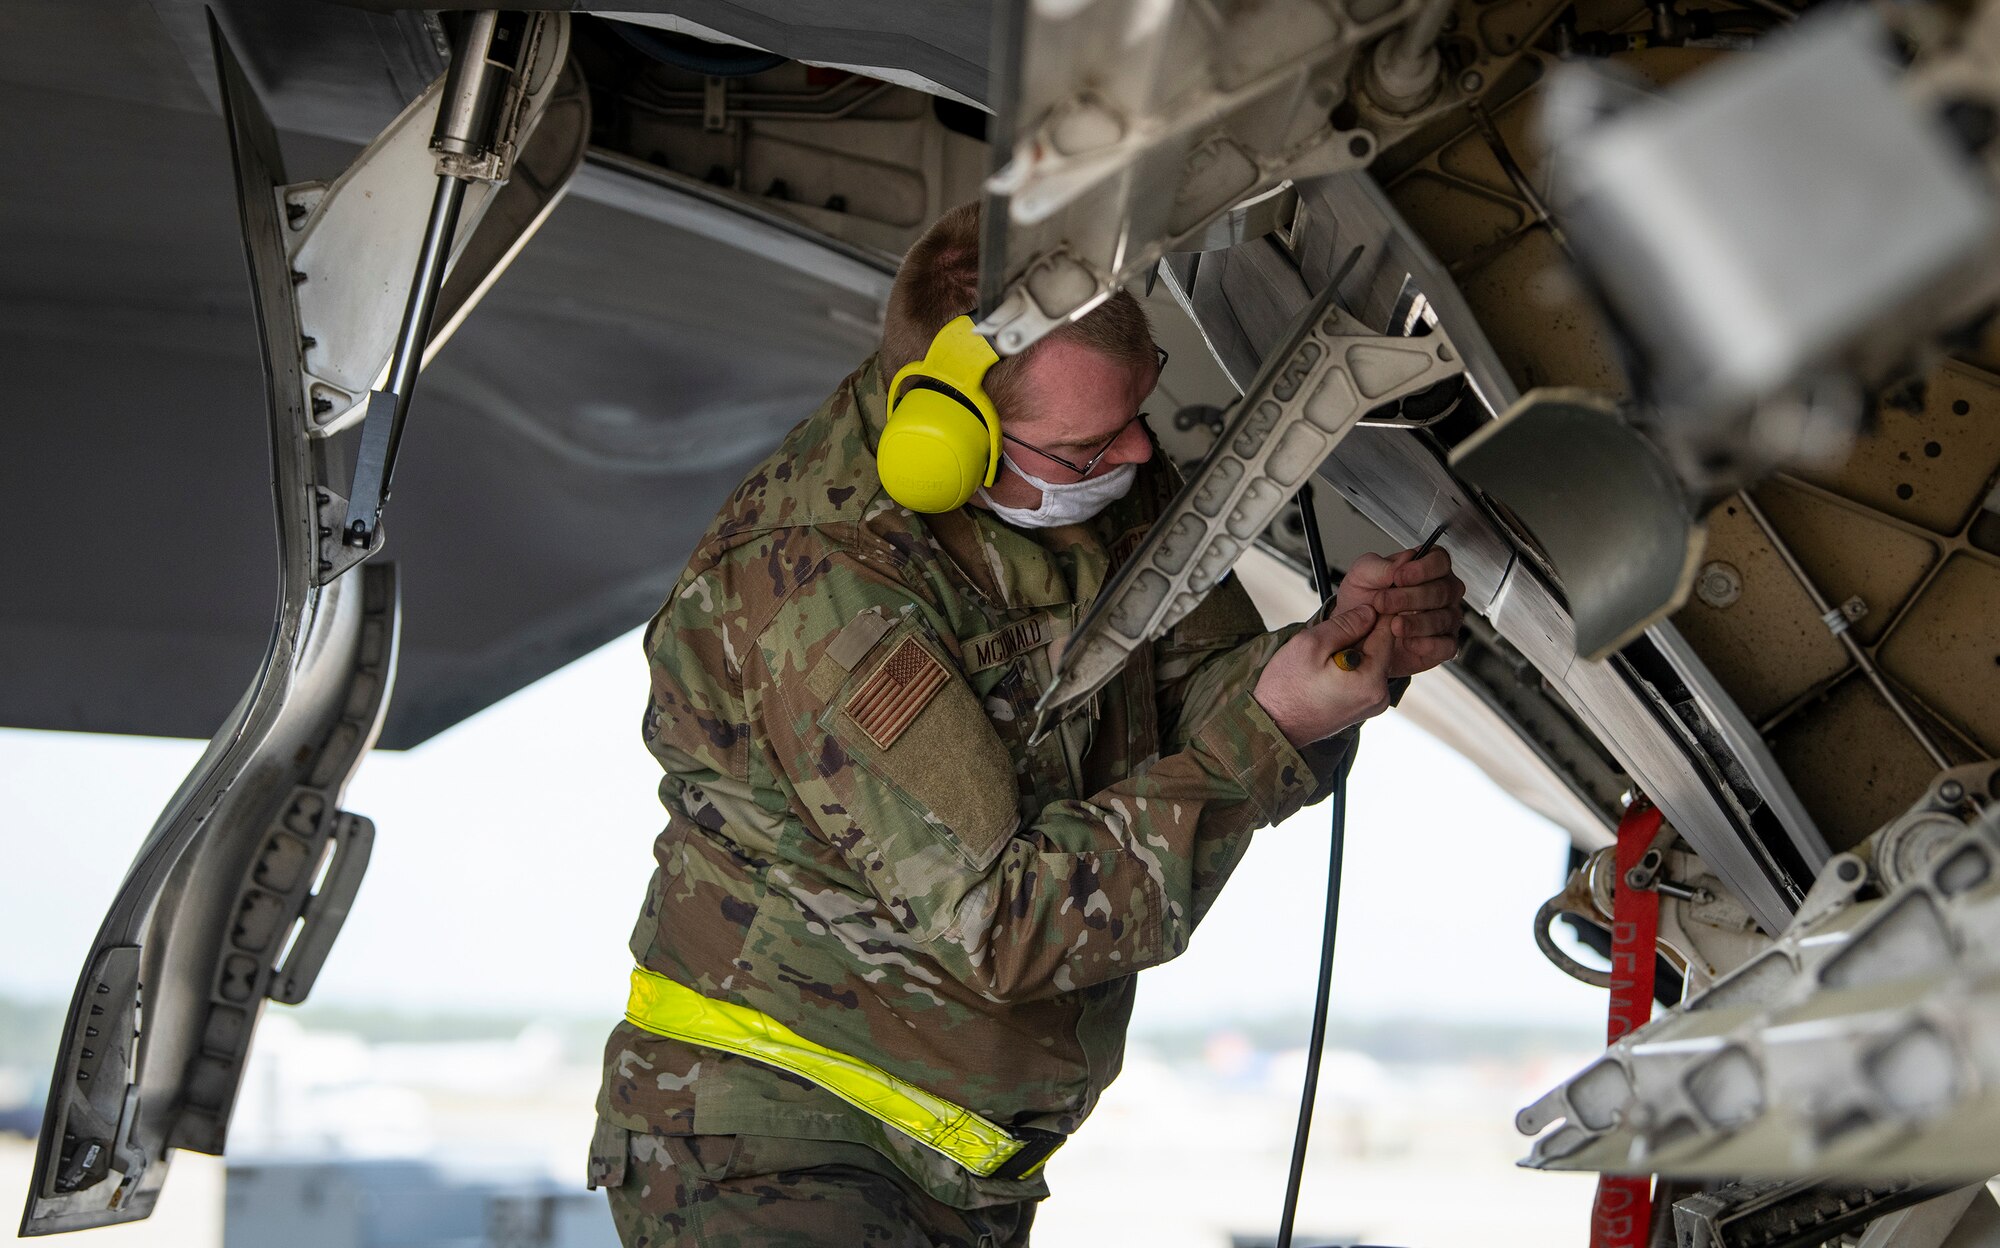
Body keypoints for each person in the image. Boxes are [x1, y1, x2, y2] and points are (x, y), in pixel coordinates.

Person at [588, 202, 1466, 1247]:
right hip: (778, 1159)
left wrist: (1331, 661)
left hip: (958, 1162)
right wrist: (1270, 730)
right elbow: (1001, 923)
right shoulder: (821, 586)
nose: (1139, 450)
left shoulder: (1091, 480)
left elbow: (1199, 698)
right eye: (1089, 442)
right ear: (946, 443)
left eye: (1139, 409)